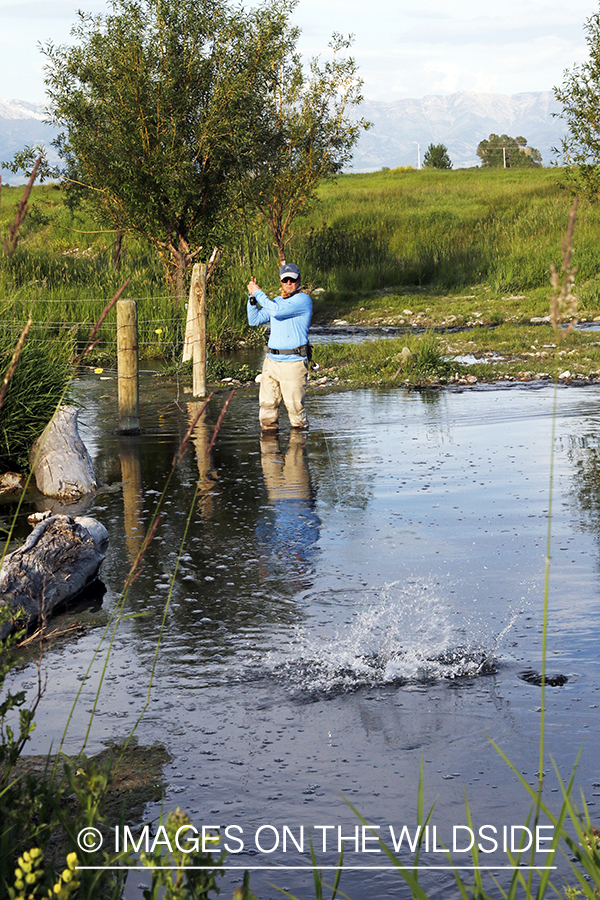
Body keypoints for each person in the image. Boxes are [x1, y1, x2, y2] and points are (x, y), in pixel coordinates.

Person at [247, 263, 312, 432]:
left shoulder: (302, 300)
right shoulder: (276, 302)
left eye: (292, 279)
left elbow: (276, 311)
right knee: (267, 410)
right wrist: (251, 297)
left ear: (299, 281)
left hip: (293, 363)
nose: (289, 282)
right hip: (271, 363)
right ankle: (269, 452)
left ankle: (299, 450)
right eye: (285, 280)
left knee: (296, 413)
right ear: (281, 281)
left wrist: (258, 292)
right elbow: (254, 320)